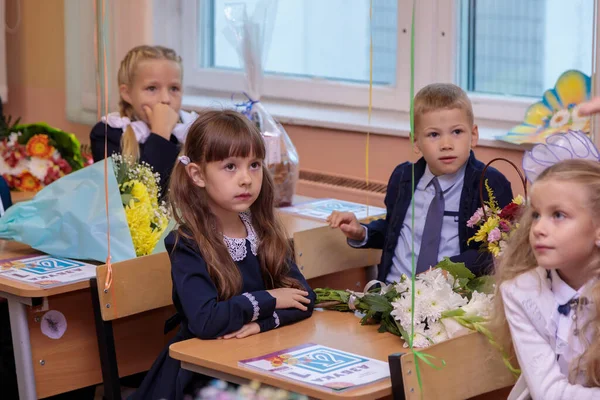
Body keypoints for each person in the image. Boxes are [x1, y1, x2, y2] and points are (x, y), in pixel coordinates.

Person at [134, 109, 315, 400]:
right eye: (230, 166)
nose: (246, 179)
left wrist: (261, 324)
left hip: (254, 362)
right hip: (200, 375)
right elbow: (206, 321)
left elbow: (304, 298)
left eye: (254, 165)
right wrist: (270, 299)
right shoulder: (188, 243)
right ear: (197, 174)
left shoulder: (262, 230)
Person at [328, 83, 513, 282]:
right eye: (434, 135)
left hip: (452, 298)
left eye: (457, 132)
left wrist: (448, 271)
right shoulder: (403, 178)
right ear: (416, 142)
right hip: (394, 292)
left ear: (473, 135)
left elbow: (494, 252)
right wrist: (362, 232)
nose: (446, 145)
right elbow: (395, 231)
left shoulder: (490, 184)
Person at [491, 159, 600, 399]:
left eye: (558, 215)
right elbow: (548, 392)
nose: (538, 228)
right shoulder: (521, 292)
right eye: (537, 215)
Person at [90, 45, 198, 195]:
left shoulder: (190, 131)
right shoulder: (108, 133)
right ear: (127, 93)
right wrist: (160, 134)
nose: (165, 99)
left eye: (174, 88)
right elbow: (135, 197)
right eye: (152, 88)